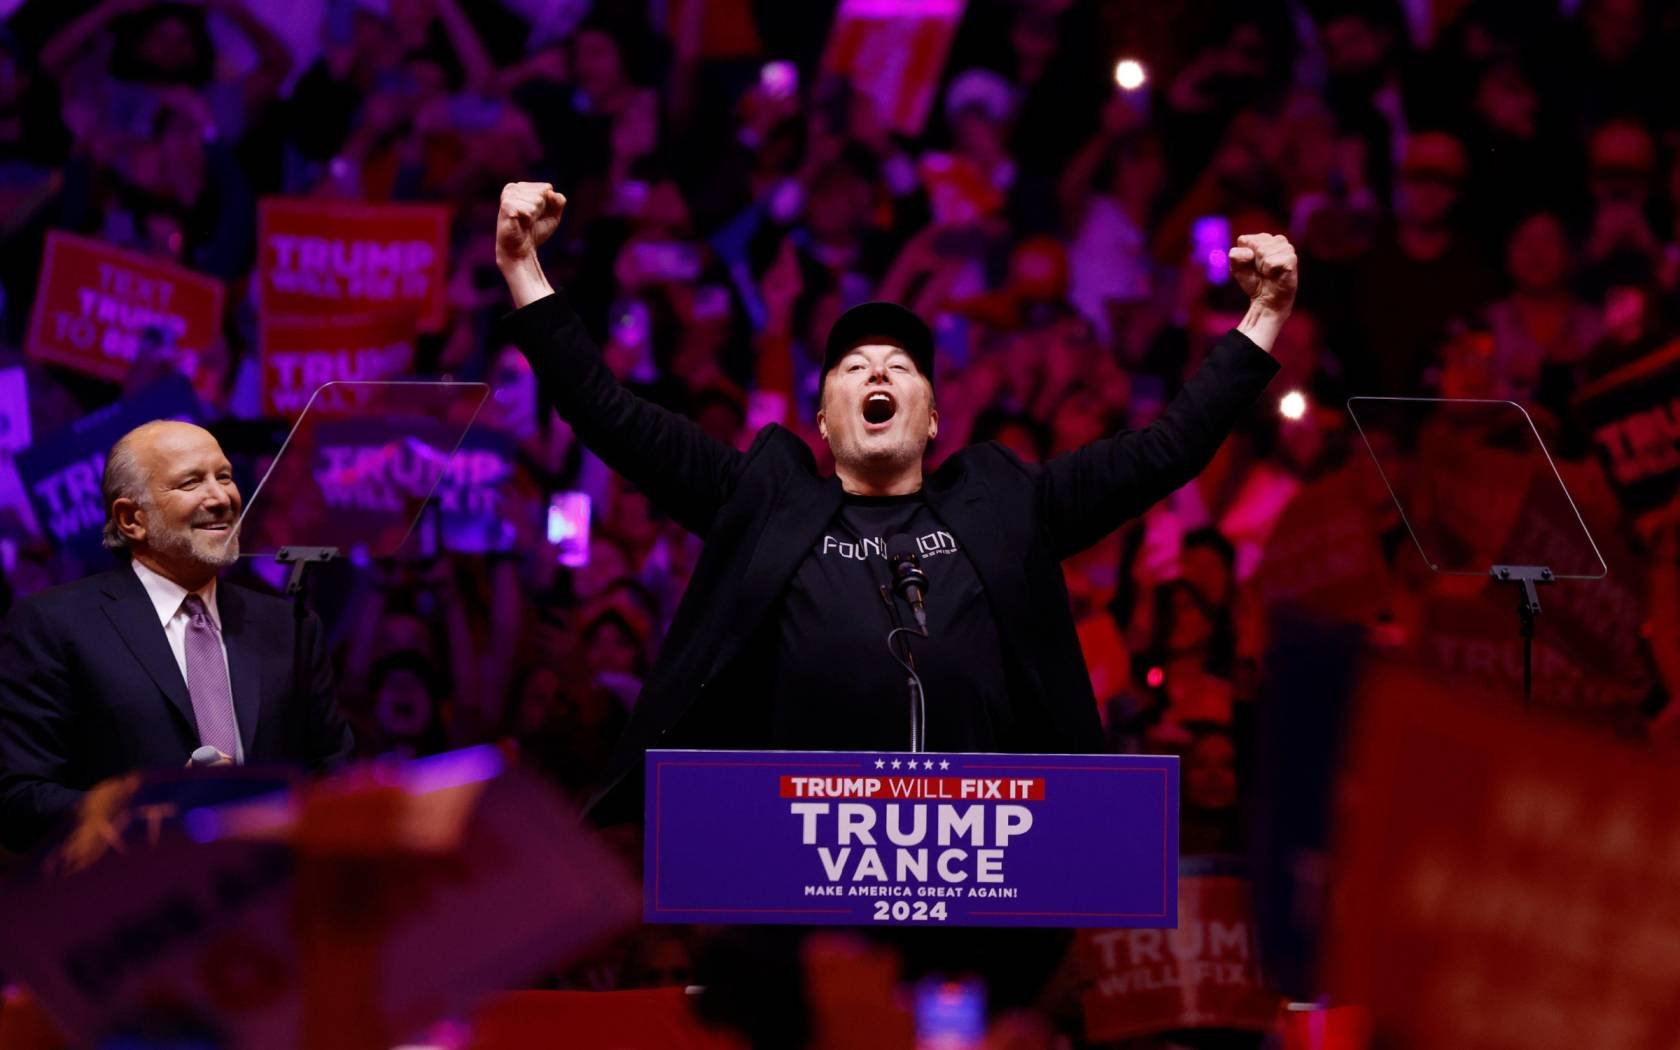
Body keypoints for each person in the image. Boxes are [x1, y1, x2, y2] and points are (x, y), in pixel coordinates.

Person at [495, 181, 1294, 820]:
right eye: (853, 367)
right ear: (820, 420)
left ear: (935, 417)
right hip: (797, 880)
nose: (877, 372)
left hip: (980, 874)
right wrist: (526, 273)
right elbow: (613, 416)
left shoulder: (1005, 503)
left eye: (900, 366)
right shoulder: (766, 500)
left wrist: (1262, 317)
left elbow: (1166, 449)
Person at [0, 421, 353, 853]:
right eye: (192, 482)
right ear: (132, 519)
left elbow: (333, 775)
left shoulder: (289, 625)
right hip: (128, 902)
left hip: (273, 899)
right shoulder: (53, 626)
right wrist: (141, 811)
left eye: (224, 476)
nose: (222, 497)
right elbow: (18, 797)